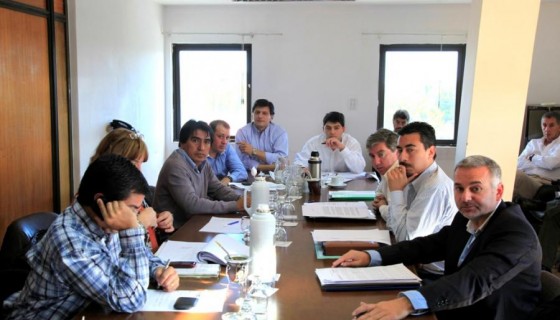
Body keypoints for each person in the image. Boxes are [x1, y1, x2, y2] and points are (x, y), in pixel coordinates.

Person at [333, 155, 542, 320]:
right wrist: (372, 256)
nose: (465, 197)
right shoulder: (466, 217)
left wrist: (406, 303)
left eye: (475, 188)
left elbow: (473, 280)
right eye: (459, 188)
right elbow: (428, 245)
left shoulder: (516, 234)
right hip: (457, 305)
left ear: (498, 192)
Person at [3, 154, 180, 319]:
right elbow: (131, 300)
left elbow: (140, 258)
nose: (136, 215)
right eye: (133, 208)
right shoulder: (72, 243)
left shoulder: (103, 220)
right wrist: (132, 230)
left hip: (90, 313)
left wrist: (158, 271)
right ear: (100, 201)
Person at [375, 122, 457, 276]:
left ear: (431, 152)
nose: (402, 157)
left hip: (429, 275)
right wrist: (387, 207)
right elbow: (397, 222)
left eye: (410, 150)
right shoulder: (413, 175)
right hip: (413, 263)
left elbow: (406, 240)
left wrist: (396, 192)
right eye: (400, 150)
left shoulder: (435, 187)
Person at [90, 128, 174, 250]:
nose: (139, 171)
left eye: (141, 163)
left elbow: (148, 219)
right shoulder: (99, 199)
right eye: (133, 162)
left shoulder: (133, 189)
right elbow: (111, 252)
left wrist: (162, 219)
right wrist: (140, 224)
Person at [153, 120, 246, 229]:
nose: (201, 147)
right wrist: (235, 205)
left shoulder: (203, 163)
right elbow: (192, 205)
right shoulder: (175, 165)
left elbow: (218, 189)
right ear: (182, 143)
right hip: (174, 232)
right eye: (195, 140)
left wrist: (242, 200)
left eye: (206, 142)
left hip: (193, 224)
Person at [294, 111, 365, 173]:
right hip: (320, 184)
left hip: (347, 184)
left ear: (343, 129)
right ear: (323, 129)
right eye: (328, 128)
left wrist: (342, 148)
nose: (332, 132)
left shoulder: (352, 143)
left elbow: (359, 169)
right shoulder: (313, 143)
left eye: (336, 128)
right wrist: (303, 168)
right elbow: (298, 164)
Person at [514, 111, 560, 200]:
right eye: (544, 125)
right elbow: (519, 163)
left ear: (559, 127)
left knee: (516, 176)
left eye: (551, 125)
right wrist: (542, 162)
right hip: (527, 177)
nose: (547, 129)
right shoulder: (533, 143)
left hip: (544, 184)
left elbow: (551, 164)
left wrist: (532, 157)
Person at [235, 99, 288, 173]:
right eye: (257, 112)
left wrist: (254, 151)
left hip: (274, 175)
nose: (260, 116)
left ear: (271, 117)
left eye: (264, 113)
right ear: (252, 114)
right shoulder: (242, 133)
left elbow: (282, 159)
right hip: (249, 174)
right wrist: (271, 167)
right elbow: (242, 161)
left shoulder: (280, 133)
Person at [366, 129, 399, 217]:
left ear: (397, 152)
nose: (376, 162)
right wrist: (381, 198)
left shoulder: (399, 174)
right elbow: (379, 191)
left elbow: (394, 218)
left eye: (381, 155)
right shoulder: (387, 171)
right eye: (372, 156)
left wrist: (381, 206)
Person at [208, 120, 248, 185]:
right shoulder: (200, 151)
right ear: (210, 136)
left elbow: (242, 172)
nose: (224, 142)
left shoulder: (227, 148)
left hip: (220, 190)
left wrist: (228, 178)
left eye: (227, 138)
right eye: (220, 136)